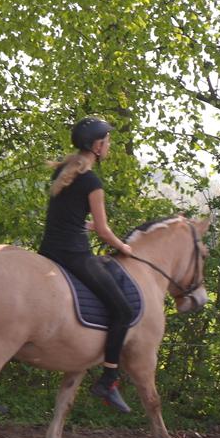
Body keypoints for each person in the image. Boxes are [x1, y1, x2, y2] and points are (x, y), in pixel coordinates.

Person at [37, 116, 134, 413]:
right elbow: (105, 232)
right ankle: (108, 378)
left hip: (49, 250)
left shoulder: (63, 173)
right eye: (107, 141)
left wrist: (84, 224)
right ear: (97, 145)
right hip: (74, 255)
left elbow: (65, 214)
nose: (110, 146)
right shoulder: (92, 181)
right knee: (123, 310)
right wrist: (123, 246)